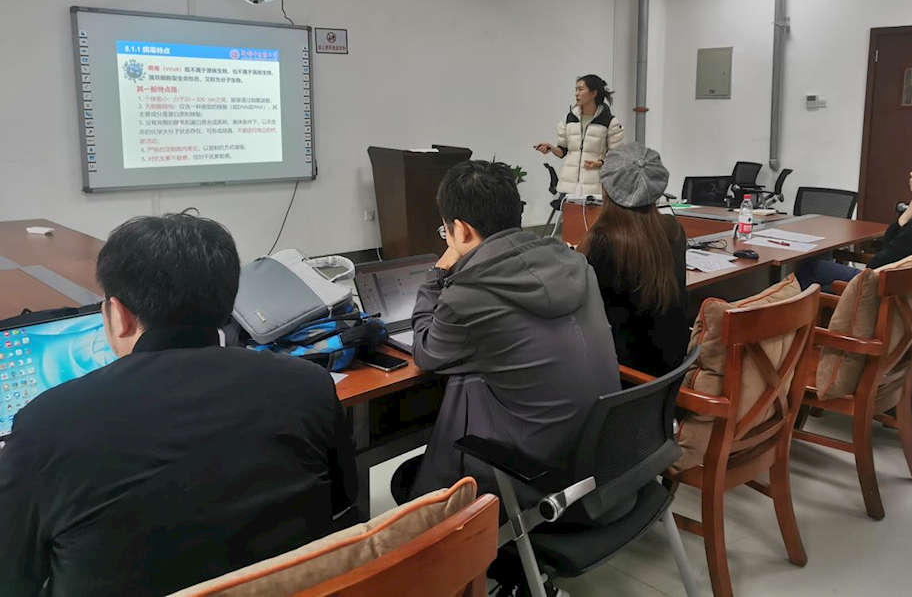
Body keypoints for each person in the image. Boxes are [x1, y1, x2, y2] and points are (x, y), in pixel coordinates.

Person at [0, 213, 357, 597]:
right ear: (228, 304)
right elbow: (342, 502)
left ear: (118, 315)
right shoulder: (307, 383)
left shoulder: (45, 423)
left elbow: (12, 578)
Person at [391, 160, 620, 504]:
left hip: (536, 478)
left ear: (460, 230)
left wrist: (437, 276)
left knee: (462, 383)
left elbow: (425, 352)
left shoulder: (468, 294)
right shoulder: (575, 263)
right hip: (600, 462)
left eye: (445, 232)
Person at [797, 140, 912, 289]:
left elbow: (875, 265)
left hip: (883, 296)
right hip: (911, 294)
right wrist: (907, 215)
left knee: (812, 273)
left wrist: (908, 219)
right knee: (816, 268)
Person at [578, 143, 690, 377]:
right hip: (670, 372)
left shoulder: (602, 240)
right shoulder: (673, 230)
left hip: (625, 377)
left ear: (606, 187)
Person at [535, 74, 625, 196]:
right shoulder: (569, 119)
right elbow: (562, 151)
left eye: (580, 89)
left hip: (595, 188)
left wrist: (599, 163)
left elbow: (617, 157)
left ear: (593, 93)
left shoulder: (609, 121)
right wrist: (551, 148)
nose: (576, 94)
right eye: (576, 89)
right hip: (568, 187)